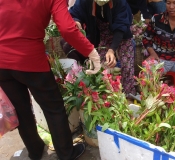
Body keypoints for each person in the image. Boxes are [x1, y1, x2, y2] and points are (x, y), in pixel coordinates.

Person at [0, 0, 101, 160]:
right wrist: (91, 51)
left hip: (2, 62)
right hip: (31, 61)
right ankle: (66, 153)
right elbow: (67, 29)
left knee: (22, 110)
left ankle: (35, 150)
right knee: (53, 108)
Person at [69, 0, 136, 96]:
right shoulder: (84, 1)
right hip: (103, 35)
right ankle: (105, 96)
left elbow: (121, 25)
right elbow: (75, 12)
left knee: (127, 66)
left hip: (121, 35)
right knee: (100, 66)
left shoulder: (120, 2)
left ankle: (129, 95)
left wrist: (112, 49)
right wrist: (77, 21)